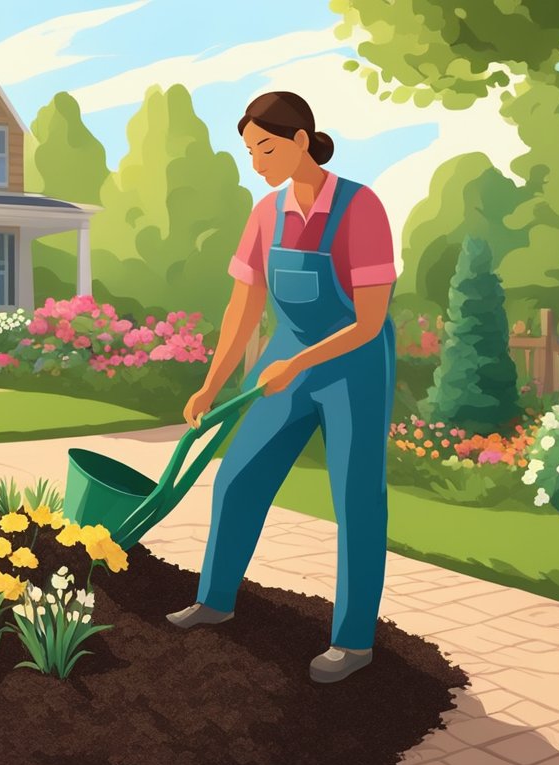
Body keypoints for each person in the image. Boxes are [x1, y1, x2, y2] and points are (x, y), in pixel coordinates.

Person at [166, 91, 398, 684]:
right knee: (237, 479)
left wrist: (298, 365)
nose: (257, 161)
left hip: (354, 366)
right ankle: (215, 600)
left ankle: (352, 641)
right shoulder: (265, 213)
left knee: (356, 500)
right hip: (284, 362)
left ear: (300, 140)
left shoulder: (359, 207)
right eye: (249, 151)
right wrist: (211, 384)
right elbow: (243, 308)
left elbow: (368, 321)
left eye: (265, 148)